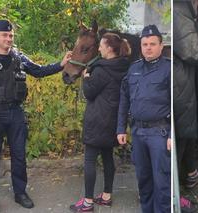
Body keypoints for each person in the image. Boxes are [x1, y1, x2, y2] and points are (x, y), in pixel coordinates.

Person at [0, 19, 70, 213]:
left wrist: (61, 64)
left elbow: (39, 71)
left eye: (11, 35)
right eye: (5, 35)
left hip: (15, 113)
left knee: (19, 157)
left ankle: (20, 193)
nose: (8, 38)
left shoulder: (19, 57)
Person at [69, 32, 131, 212]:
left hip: (97, 120)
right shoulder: (122, 67)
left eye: (101, 45)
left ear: (109, 48)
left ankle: (87, 202)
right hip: (112, 121)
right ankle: (106, 196)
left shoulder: (102, 70)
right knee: (107, 158)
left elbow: (89, 93)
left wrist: (86, 78)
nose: (99, 48)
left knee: (89, 161)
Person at [117, 24, 171, 213]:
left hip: (160, 133)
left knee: (162, 183)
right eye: (145, 44)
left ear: (161, 46)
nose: (148, 47)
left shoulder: (168, 69)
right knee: (144, 180)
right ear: (140, 46)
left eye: (152, 44)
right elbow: (124, 98)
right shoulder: (134, 69)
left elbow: (177, 104)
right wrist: (121, 129)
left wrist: (172, 133)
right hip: (138, 133)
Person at [173, 0, 198, 211]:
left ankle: (191, 174)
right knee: (181, 135)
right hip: (179, 84)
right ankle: (175, 195)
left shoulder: (180, 11)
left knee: (187, 130)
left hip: (181, 80)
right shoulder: (179, 11)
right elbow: (195, 51)